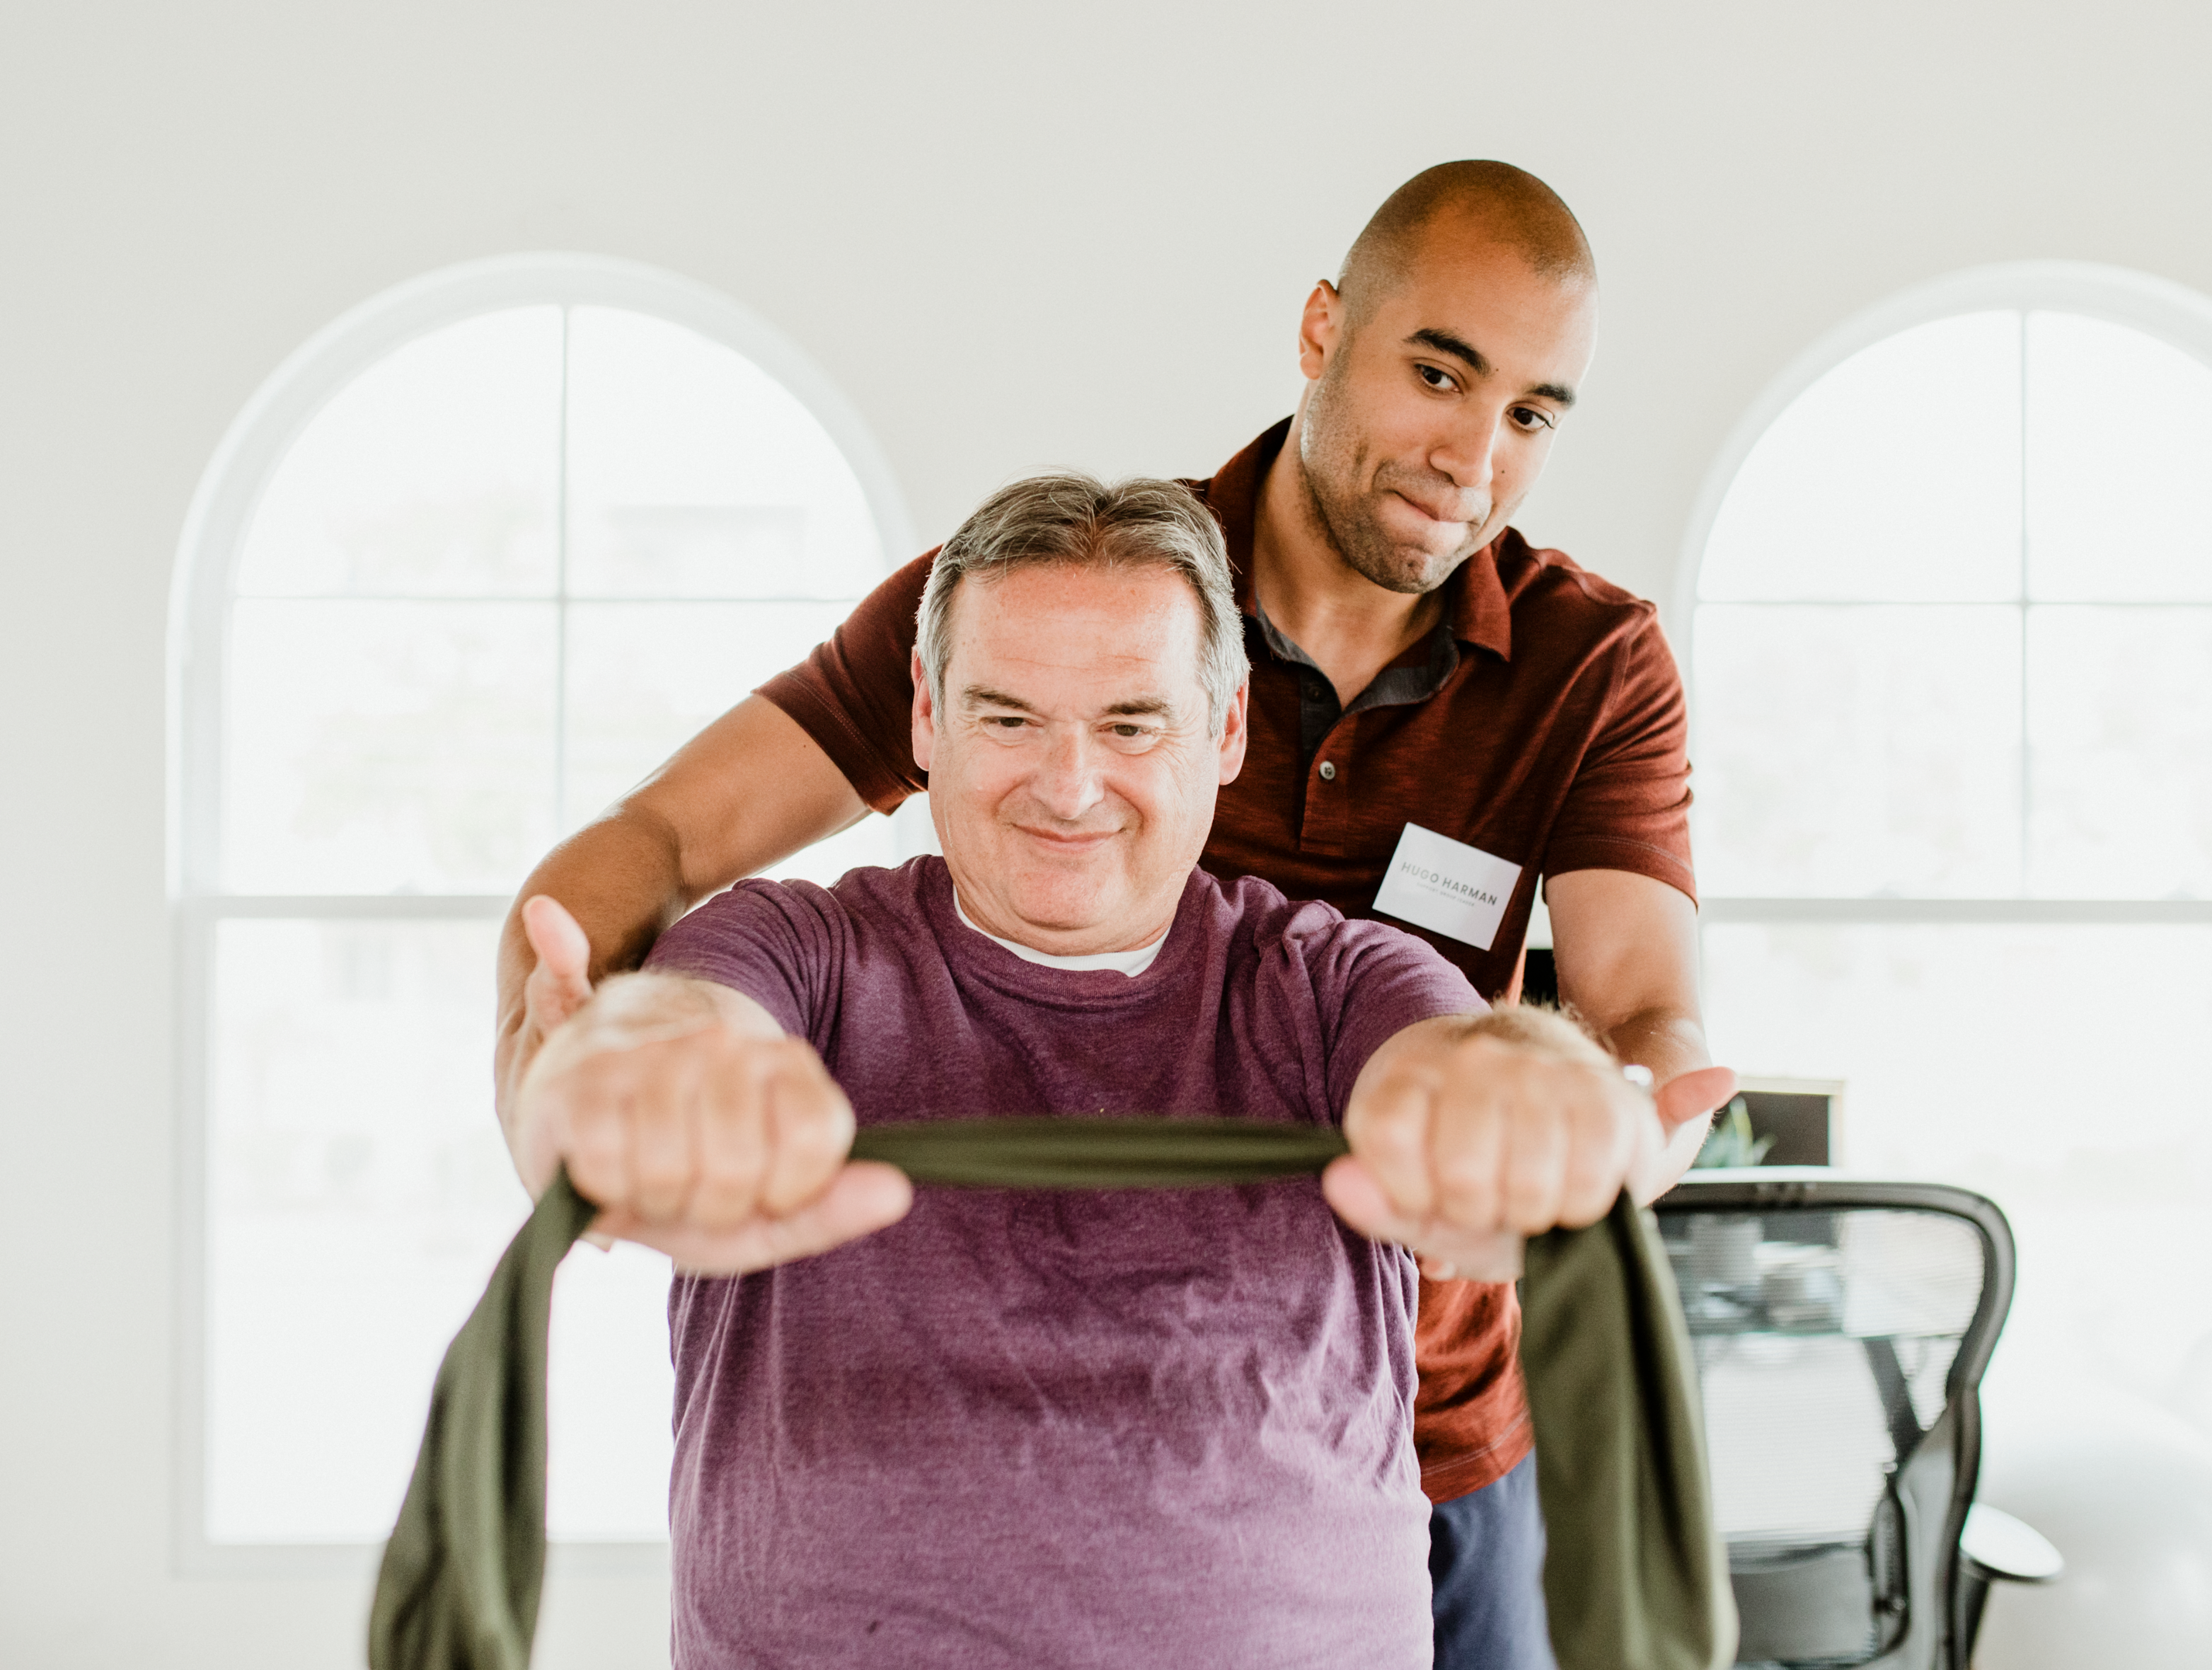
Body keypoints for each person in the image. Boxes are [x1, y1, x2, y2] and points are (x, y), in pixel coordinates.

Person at [496, 161, 1733, 1668]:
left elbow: (1632, 1010)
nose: (1473, 457)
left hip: (1425, 1390)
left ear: (1215, 733)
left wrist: (1600, 1131)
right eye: (1437, 373)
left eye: (1534, 415)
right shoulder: (1057, 589)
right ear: (1322, 326)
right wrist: (576, 1066)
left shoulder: (1586, 667)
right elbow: (662, 844)